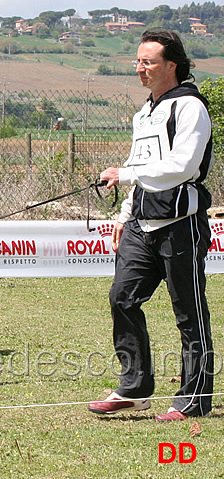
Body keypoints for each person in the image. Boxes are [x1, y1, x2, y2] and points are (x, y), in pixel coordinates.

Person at [88, 29, 214, 422]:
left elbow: (184, 166)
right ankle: (135, 387)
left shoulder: (190, 107)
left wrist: (125, 174)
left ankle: (194, 398)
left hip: (181, 224)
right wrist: (124, 215)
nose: (140, 68)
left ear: (171, 65)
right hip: (142, 224)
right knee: (122, 298)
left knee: (189, 312)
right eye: (137, 61)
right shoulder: (143, 113)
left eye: (148, 61)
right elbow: (141, 167)